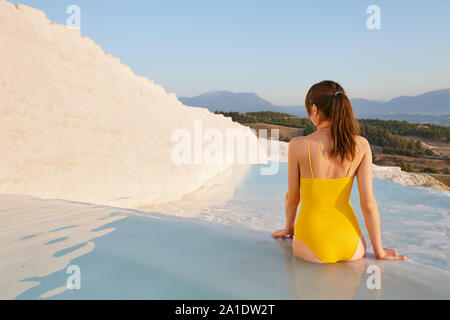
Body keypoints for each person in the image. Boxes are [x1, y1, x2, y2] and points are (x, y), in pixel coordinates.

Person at [272, 80, 406, 264]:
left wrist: (288, 229)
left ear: (314, 109)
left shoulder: (299, 145)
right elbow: (368, 204)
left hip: (311, 242)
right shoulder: (361, 145)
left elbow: (292, 198)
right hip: (352, 244)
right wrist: (379, 251)